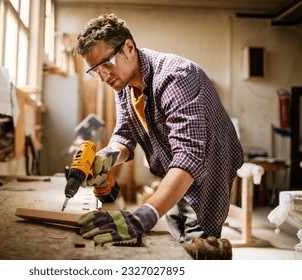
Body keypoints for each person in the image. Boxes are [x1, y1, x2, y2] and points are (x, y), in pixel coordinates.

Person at [74, 13, 244, 247]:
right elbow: (125, 135)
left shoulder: (175, 76)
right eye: (95, 70)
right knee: (177, 237)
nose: (103, 76)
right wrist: (106, 156)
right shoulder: (123, 85)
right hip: (172, 167)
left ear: (129, 48)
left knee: (197, 242)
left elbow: (190, 156)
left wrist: (142, 218)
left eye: (107, 64)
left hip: (208, 169)